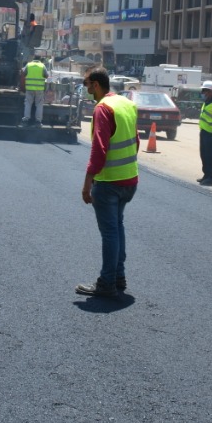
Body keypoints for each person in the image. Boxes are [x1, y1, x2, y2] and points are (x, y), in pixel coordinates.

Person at [76, 65, 139, 299]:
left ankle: (106, 283)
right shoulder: (126, 104)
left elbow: (99, 150)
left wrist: (87, 183)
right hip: (129, 180)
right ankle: (118, 277)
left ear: (96, 84)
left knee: (110, 233)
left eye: (87, 84)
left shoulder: (103, 109)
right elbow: (136, 140)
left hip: (109, 182)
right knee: (118, 228)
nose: (86, 89)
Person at [196, 81, 212, 186]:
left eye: (205, 91)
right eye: (203, 91)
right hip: (203, 132)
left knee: (210, 156)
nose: (203, 93)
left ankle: (211, 177)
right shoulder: (206, 102)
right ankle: (206, 175)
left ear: (211, 91)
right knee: (204, 155)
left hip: (211, 133)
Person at [20, 53, 48, 125]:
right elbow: (46, 75)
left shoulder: (28, 65)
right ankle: (38, 121)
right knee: (39, 104)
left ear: (33, 58)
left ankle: (26, 119)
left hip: (29, 88)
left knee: (28, 103)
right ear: (40, 59)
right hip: (39, 89)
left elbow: (23, 73)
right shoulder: (42, 66)